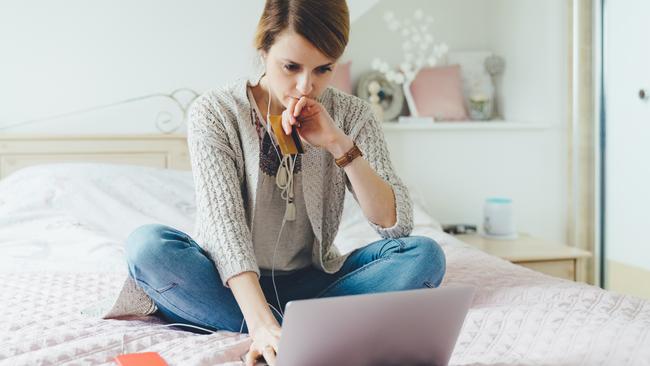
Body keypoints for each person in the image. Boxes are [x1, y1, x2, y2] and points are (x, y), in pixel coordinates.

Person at [120, 1, 446, 365]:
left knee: (423, 255)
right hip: (231, 285)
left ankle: (282, 326)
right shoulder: (215, 113)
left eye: (324, 69)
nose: (307, 85)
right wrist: (260, 324)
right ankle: (289, 326)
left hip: (315, 280)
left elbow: (394, 226)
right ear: (263, 50)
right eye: (291, 67)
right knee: (147, 247)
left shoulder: (352, 115)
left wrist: (339, 144)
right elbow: (222, 226)